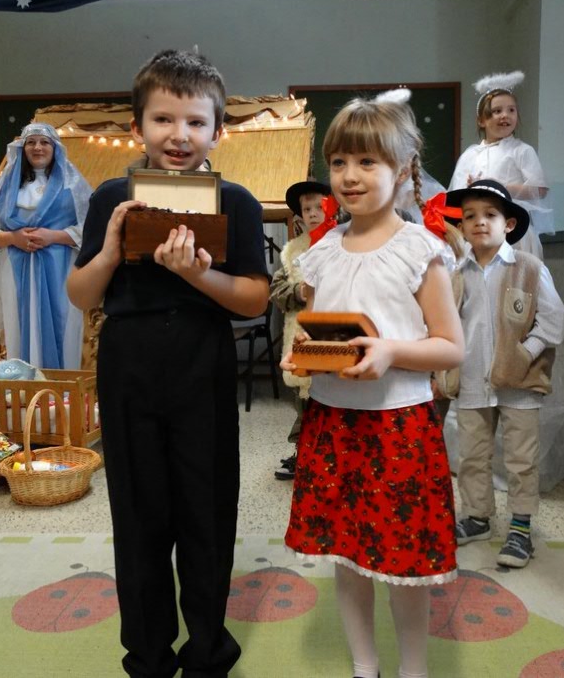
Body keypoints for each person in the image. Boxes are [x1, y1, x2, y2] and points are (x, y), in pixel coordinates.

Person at [66, 49, 269, 678]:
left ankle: (207, 651)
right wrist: (110, 248)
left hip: (203, 359)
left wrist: (198, 275)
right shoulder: (111, 197)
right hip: (127, 361)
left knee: (207, 508)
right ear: (137, 127)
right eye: (163, 119)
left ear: (218, 131)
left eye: (196, 122)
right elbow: (81, 294)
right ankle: (148, 655)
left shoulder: (236, 201)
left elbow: (254, 299)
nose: (179, 136)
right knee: (137, 512)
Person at [281, 89, 464, 678]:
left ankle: (413, 669)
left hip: (399, 427)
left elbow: (450, 346)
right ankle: (365, 665)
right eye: (339, 162)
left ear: (403, 168)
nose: (349, 176)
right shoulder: (322, 253)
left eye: (367, 162)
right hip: (332, 424)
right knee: (346, 555)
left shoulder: (420, 250)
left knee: (405, 564)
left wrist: (391, 351)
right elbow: (318, 331)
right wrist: (304, 358)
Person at [440, 178, 564, 569]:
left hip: (520, 384)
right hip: (471, 381)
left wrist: (524, 353)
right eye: (470, 216)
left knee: (521, 458)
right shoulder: (455, 274)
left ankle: (520, 528)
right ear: (461, 226)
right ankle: (477, 517)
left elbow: (555, 320)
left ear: (508, 224)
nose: (479, 222)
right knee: (471, 455)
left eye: (490, 215)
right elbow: (445, 323)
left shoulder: (528, 269)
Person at [0, 122, 91, 369]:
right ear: (22, 148)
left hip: (60, 270)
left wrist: (53, 236)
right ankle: (24, 385)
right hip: (15, 271)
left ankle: (61, 387)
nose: (38, 147)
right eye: (31, 142)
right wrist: (13, 238)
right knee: (18, 327)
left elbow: (90, 230)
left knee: (64, 326)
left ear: (55, 148)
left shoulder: (73, 186)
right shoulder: (7, 188)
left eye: (44, 142)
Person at [449, 71, 553, 259]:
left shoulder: (522, 150)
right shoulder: (470, 155)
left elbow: (539, 190)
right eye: (497, 111)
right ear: (482, 120)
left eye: (511, 110)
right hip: (479, 231)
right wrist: (471, 189)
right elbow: (456, 194)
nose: (505, 115)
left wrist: (500, 187)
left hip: (513, 230)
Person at [269, 179, 333, 480]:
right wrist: (299, 291)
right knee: (304, 399)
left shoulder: (345, 243)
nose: (313, 213)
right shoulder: (292, 252)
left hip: (336, 335)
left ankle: (330, 456)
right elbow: (276, 290)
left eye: (319, 207)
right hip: (300, 335)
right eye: (307, 209)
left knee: (332, 402)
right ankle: (303, 453)